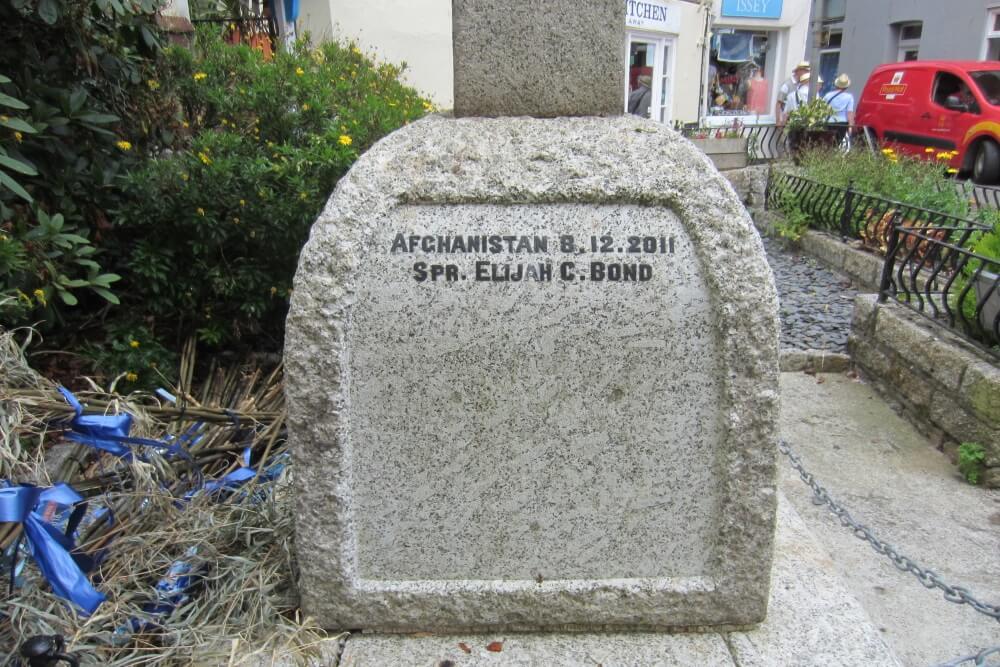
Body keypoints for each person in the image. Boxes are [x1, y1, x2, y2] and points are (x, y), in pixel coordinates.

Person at [776, 61, 809, 125]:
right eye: (806, 71)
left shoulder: (802, 84)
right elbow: (779, 103)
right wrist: (778, 121)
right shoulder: (787, 85)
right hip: (787, 120)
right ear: (799, 71)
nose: (807, 74)